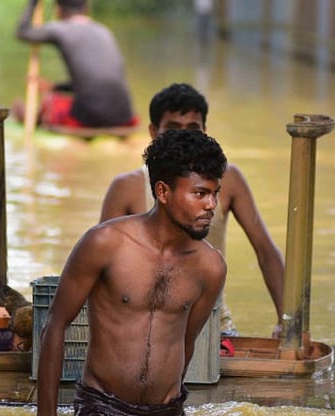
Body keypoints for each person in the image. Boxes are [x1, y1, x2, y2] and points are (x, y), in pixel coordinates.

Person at [36, 129, 228, 416]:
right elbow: (55, 324)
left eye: (215, 194)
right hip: (101, 406)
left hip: (167, 411)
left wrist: (170, 402)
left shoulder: (211, 267)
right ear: (163, 192)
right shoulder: (105, 243)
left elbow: (185, 342)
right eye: (200, 194)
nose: (211, 205)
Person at [99, 83, 284, 344]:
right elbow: (103, 269)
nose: (182, 138)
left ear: (204, 132)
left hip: (215, 327)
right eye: (172, 129)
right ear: (153, 132)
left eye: (192, 129)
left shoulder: (229, 180)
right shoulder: (126, 188)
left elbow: (266, 251)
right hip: (145, 328)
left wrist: (287, 321)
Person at [14, 0, 138, 128]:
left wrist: (33, 2)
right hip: (125, 116)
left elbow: (23, 32)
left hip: (90, 119)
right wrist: (54, 87)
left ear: (58, 10)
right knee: (66, 98)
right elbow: (94, 80)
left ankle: (32, 117)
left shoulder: (60, 29)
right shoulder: (103, 30)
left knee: (51, 101)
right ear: (86, 8)